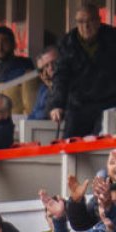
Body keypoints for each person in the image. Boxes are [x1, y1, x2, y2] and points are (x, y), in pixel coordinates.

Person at [50, 3, 116, 138]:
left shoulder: (112, 38)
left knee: (103, 144)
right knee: (70, 144)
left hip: (109, 102)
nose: (85, 26)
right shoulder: (67, 43)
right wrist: (57, 104)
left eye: (90, 21)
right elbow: (61, 77)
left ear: (98, 21)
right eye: (81, 22)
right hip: (79, 104)